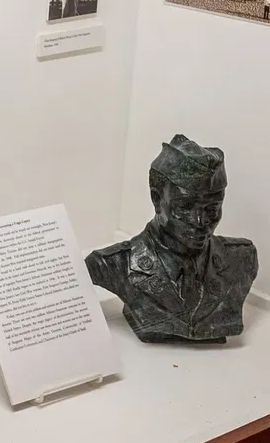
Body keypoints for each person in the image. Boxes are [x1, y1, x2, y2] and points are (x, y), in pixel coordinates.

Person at [85, 135, 258, 343]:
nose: (200, 221)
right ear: (157, 200)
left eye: (212, 208)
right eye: (185, 207)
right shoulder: (112, 264)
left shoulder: (241, 259)